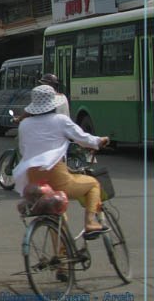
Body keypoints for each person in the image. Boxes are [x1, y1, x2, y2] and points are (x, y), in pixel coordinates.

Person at [12, 85, 111, 235]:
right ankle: (91, 222)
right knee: (93, 185)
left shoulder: (24, 125)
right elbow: (83, 139)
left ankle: (61, 254)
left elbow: (24, 150)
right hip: (55, 176)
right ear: (53, 104)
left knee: (55, 211)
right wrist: (99, 141)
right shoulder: (60, 120)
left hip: (33, 179)